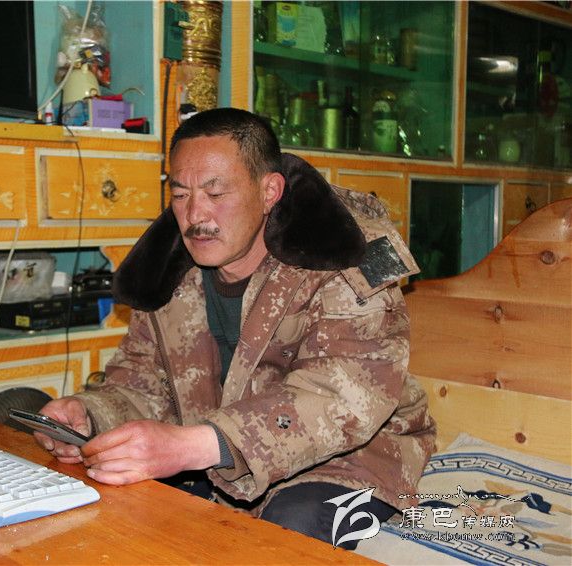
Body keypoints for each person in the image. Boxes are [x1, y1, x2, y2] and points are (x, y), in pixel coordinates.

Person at [34, 107, 436, 548]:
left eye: (215, 192)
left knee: (286, 533)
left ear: (269, 192)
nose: (195, 215)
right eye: (180, 194)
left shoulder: (340, 251)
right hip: (215, 455)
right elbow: (144, 381)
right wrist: (91, 415)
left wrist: (194, 446)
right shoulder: (170, 272)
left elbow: (344, 394)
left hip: (352, 457)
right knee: (114, 509)